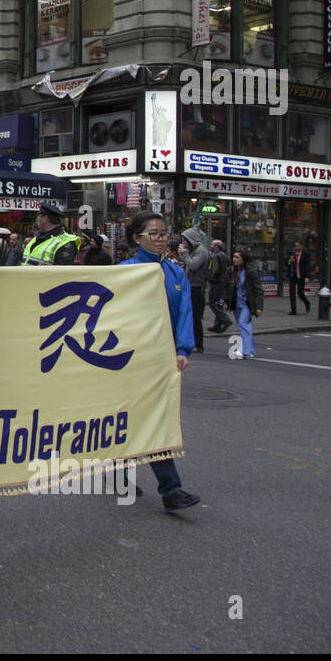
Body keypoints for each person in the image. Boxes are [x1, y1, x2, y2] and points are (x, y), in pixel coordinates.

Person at [117, 210, 201, 511]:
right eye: (154, 233)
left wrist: (182, 350)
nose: (161, 239)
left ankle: (165, 487)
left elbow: (185, 315)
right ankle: (169, 488)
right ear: (137, 238)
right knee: (137, 419)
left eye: (164, 233)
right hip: (131, 360)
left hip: (163, 361)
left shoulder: (176, 273)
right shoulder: (125, 271)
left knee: (154, 420)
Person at [224, 248, 264, 359]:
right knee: (244, 327)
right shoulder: (231, 271)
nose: (234, 259)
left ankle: (244, 350)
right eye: (234, 257)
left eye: (237, 257)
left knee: (243, 324)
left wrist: (259, 307)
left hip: (247, 304)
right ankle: (251, 350)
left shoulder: (251, 273)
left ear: (243, 259)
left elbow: (258, 290)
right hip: (236, 303)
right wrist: (224, 302)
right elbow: (226, 288)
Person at [180, 227, 212, 354]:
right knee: (191, 315)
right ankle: (193, 341)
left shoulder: (201, 251)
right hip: (191, 285)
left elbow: (193, 266)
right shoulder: (195, 250)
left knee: (195, 316)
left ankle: (198, 344)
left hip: (196, 287)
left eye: (184, 239)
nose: (183, 241)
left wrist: (185, 255)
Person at [206, 239, 232, 333]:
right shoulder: (225, 256)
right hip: (223, 283)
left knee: (213, 302)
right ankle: (217, 325)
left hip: (217, 283)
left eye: (212, 244)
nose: (210, 246)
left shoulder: (216, 256)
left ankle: (225, 320)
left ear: (217, 246)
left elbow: (215, 270)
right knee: (219, 303)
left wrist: (210, 277)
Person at [286, 240, 312, 315]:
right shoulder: (292, 253)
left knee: (300, 293)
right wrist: (289, 261)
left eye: (298, 246)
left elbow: (307, 265)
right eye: (295, 246)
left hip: (301, 275)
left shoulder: (305, 254)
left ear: (301, 246)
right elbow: (287, 263)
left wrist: (307, 276)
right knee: (292, 292)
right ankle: (293, 310)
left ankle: (307, 303)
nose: (296, 247)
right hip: (293, 275)